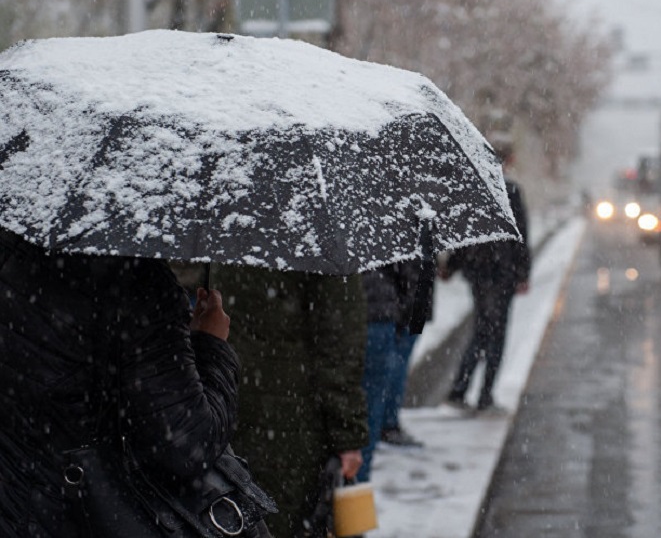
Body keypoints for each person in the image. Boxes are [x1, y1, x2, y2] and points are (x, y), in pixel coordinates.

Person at [0, 229, 238, 537]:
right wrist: (211, 345)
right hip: (78, 515)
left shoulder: (13, 249)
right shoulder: (137, 284)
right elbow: (186, 446)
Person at [212, 265, 369, 537]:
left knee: (243, 519)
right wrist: (349, 434)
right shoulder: (325, 241)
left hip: (234, 405)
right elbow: (339, 345)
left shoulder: (231, 229)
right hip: (297, 420)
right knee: (289, 519)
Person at [442, 148, 531, 413]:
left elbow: (464, 235)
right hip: (501, 273)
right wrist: (523, 273)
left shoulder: (473, 190)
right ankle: (484, 395)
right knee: (496, 334)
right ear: (509, 161)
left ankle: (460, 389)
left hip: (478, 272)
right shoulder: (511, 191)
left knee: (482, 331)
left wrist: (452, 266)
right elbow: (520, 235)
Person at [357, 259, 430, 482]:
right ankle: (359, 482)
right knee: (372, 400)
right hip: (381, 314)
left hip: (359, 313)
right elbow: (409, 274)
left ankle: (351, 481)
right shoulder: (391, 232)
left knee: (359, 400)